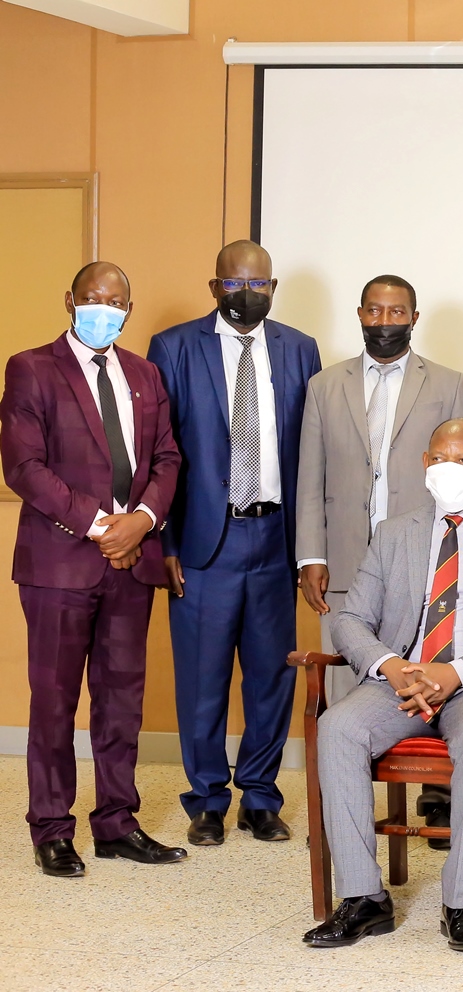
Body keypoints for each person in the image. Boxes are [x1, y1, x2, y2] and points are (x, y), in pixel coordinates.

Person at [302, 419, 463, 952]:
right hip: (402, 677)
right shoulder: (394, 532)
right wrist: (390, 666)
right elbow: (350, 619)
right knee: (338, 728)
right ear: (425, 465)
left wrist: (456, 671)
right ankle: (363, 898)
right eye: (441, 458)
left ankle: (459, 902)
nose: (452, 469)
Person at [2, 261, 187, 876]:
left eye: (116, 302)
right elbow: (24, 467)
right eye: (93, 298)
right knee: (54, 702)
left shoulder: (144, 373)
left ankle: (115, 823)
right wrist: (101, 525)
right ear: (70, 301)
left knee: (121, 701)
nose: (104, 309)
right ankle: (51, 828)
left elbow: (166, 457)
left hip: (132, 564)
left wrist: (142, 521)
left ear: (128, 311)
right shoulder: (31, 368)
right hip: (60, 563)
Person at [147, 240, 322, 846]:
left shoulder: (300, 349)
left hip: (275, 534)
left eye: (260, 283)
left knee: (272, 675)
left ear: (273, 287)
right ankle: (205, 801)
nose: (248, 292)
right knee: (202, 676)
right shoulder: (173, 347)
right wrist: (165, 542)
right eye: (234, 283)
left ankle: (260, 797)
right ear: (214, 285)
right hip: (203, 539)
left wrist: (310, 550)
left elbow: (312, 453)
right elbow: (159, 452)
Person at [295, 274, 463, 849]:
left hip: (424, 556)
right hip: (346, 555)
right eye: (375, 310)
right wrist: (312, 554)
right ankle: (351, 811)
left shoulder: (446, 383)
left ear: (414, 317)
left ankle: (438, 799)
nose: (385, 320)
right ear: (360, 314)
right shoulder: (325, 386)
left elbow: (462, 474)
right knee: (359, 686)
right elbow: (310, 477)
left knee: (428, 664)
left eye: (397, 310)